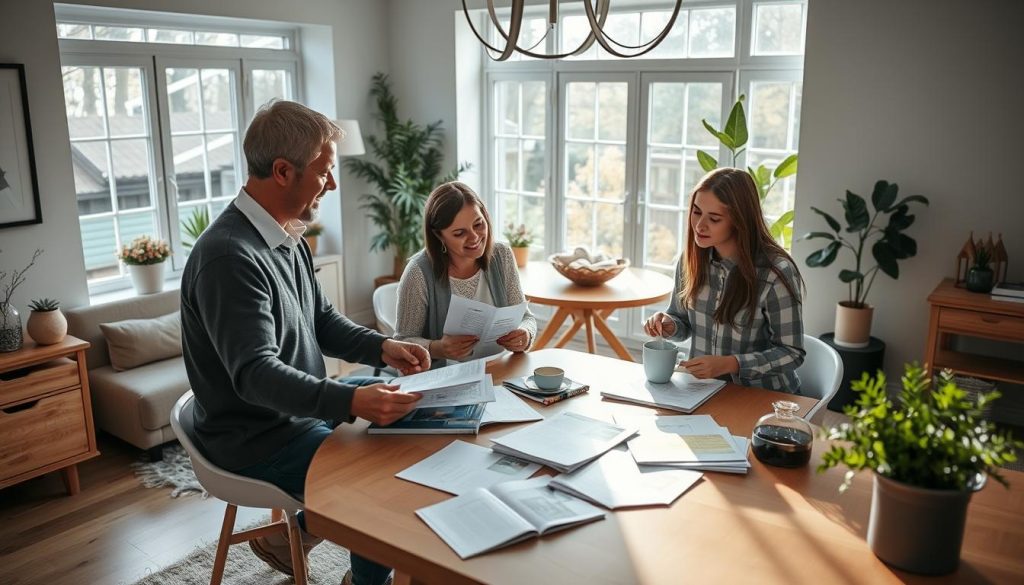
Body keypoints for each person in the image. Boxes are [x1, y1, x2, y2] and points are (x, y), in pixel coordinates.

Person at [181, 100, 430, 585]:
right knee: (376, 480)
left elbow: (321, 320)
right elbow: (255, 376)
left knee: (408, 412)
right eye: (324, 172)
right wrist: (351, 399)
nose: (331, 185)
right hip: (255, 437)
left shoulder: (286, 236)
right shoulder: (229, 257)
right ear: (281, 171)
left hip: (293, 416)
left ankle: (291, 536)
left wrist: (383, 348)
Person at [643, 167, 805, 393]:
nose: (700, 225)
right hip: (702, 391)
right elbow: (683, 323)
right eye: (697, 212)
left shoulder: (775, 273)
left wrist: (731, 364)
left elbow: (792, 353)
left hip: (762, 397)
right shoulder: (691, 260)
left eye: (715, 218)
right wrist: (668, 325)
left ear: (739, 221)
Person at [395, 181, 537, 365]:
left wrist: (524, 335)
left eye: (478, 224)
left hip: (499, 370)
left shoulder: (502, 255)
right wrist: (438, 348)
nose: (474, 238)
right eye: (459, 233)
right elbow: (401, 341)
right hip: (445, 381)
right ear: (439, 236)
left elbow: (526, 318)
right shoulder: (418, 272)